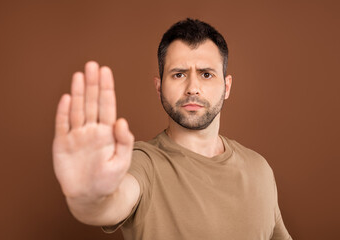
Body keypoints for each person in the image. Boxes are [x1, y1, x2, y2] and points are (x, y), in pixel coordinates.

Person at [52, 18, 292, 240]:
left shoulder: (259, 168)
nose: (193, 88)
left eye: (206, 74)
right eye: (179, 74)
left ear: (227, 87)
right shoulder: (142, 163)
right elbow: (108, 204)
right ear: (159, 87)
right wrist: (88, 198)